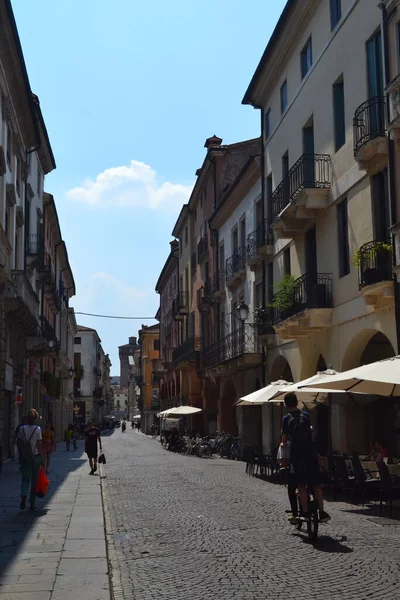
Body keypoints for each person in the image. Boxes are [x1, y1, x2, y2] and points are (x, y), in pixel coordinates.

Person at [281, 392, 330, 523]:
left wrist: (283, 444)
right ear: (297, 402)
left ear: (285, 404)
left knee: (301, 485)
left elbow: (284, 440)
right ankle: (321, 511)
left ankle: (306, 513)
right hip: (311, 454)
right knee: (315, 485)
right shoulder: (306, 415)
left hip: (297, 456)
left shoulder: (286, 418)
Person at [18, 408, 43, 511]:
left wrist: (21, 455)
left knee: (25, 480)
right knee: (34, 481)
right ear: (36, 418)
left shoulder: (22, 428)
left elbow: (19, 443)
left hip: (25, 457)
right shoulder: (38, 429)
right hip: (35, 457)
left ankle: (23, 498)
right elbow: (39, 445)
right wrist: (42, 459)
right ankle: (32, 503)